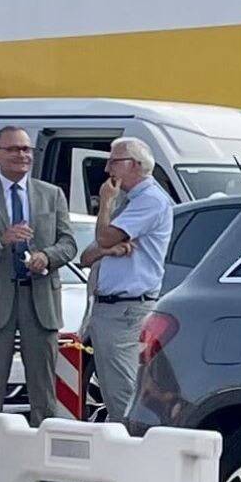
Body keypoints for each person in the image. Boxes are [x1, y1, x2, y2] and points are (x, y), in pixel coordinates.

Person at [0, 124, 76, 482]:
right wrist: (0, 239)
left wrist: (46, 257)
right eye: (13, 150)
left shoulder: (51, 194)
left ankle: (48, 471)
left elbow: (69, 243)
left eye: (26, 150)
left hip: (39, 299)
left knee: (44, 393)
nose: (22, 156)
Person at [77, 137, 172, 422]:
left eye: (113, 161)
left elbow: (103, 236)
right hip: (108, 308)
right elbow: (88, 254)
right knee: (111, 387)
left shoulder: (150, 201)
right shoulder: (132, 201)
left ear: (134, 164)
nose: (107, 169)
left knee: (123, 392)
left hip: (126, 309)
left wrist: (105, 202)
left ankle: (132, 451)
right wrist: (107, 248)